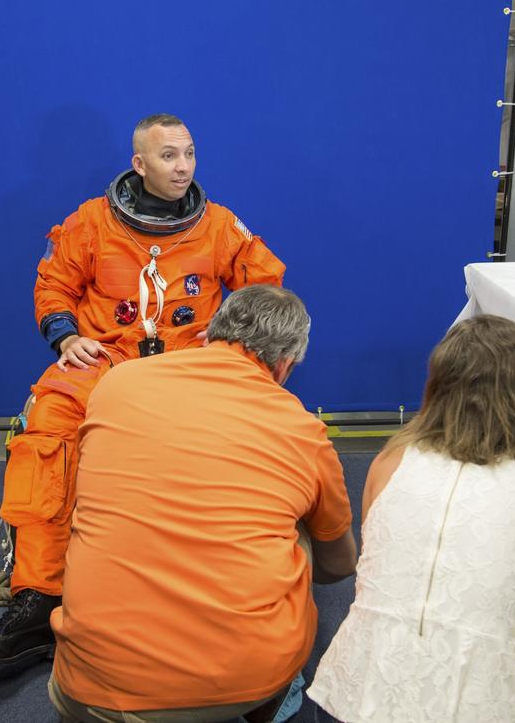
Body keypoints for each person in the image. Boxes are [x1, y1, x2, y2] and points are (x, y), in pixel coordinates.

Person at [0, 114, 286, 667]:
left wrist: (231, 320)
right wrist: (65, 337)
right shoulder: (92, 222)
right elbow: (54, 282)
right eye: (169, 157)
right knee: (49, 424)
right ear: (140, 164)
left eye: (190, 155)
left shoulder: (220, 225)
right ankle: (37, 596)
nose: (183, 167)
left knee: (238, 431)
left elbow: (265, 279)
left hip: (189, 360)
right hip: (106, 355)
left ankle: (219, 590)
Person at [46, 285, 356, 721]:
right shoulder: (303, 430)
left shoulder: (117, 382)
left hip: (89, 690)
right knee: (301, 528)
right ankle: (276, 700)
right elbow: (340, 564)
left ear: (210, 331)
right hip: (237, 688)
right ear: (284, 365)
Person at [307, 315, 515, 722]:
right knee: (513, 648)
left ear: (437, 387)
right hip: (470, 704)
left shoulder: (389, 460)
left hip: (351, 693)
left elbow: (379, 570)